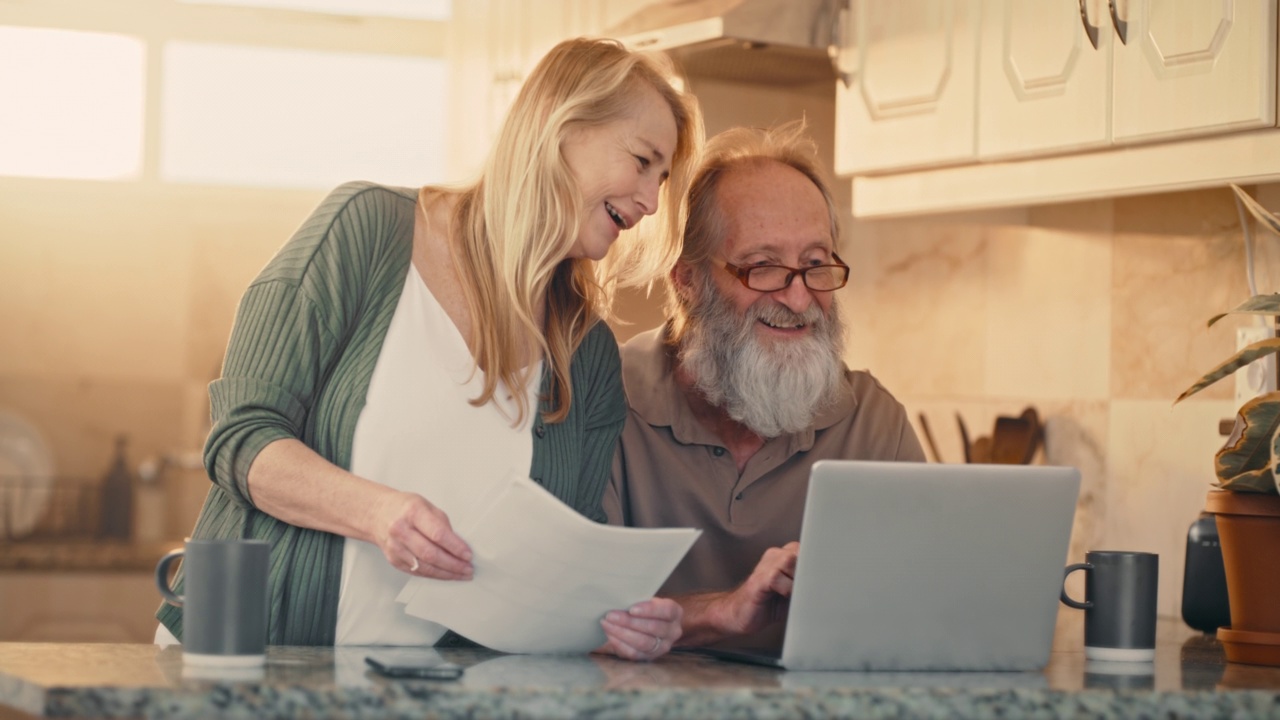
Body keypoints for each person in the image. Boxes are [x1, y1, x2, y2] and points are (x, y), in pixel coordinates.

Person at [155, 37, 703, 661]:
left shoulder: (589, 355)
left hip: (427, 693)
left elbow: (559, 566)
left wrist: (614, 620)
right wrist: (375, 513)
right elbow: (241, 437)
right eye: (642, 160)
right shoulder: (366, 232)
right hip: (241, 668)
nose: (653, 201)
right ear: (563, 126)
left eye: (663, 179)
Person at [604, 120, 925, 650]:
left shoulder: (873, 423)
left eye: (815, 265)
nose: (799, 299)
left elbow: (922, 610)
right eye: (763, 267)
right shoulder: (601, 401)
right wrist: (721, 612)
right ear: (686, 281)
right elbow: (569, 614)